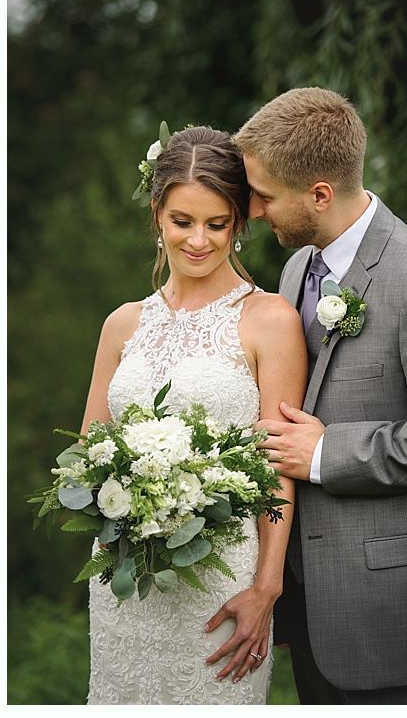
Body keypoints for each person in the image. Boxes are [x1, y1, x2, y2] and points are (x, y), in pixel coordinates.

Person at [228, 87, 407, 704]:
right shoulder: (299, 270)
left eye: (265, 196)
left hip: (397, 609)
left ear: (320, 193)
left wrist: (325, 455)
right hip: (315, 602)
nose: (257, 212)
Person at [82, 125, 306, 703]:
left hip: (222, 582)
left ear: (239, 223)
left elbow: (278, 465)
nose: (199, 241)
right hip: (124, 579)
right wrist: (126, 495)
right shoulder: (122, 323)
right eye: (183, 221)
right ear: (158, 214)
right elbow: (88, 448)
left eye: (217, 224)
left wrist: (267, 587)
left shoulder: (271, 319)